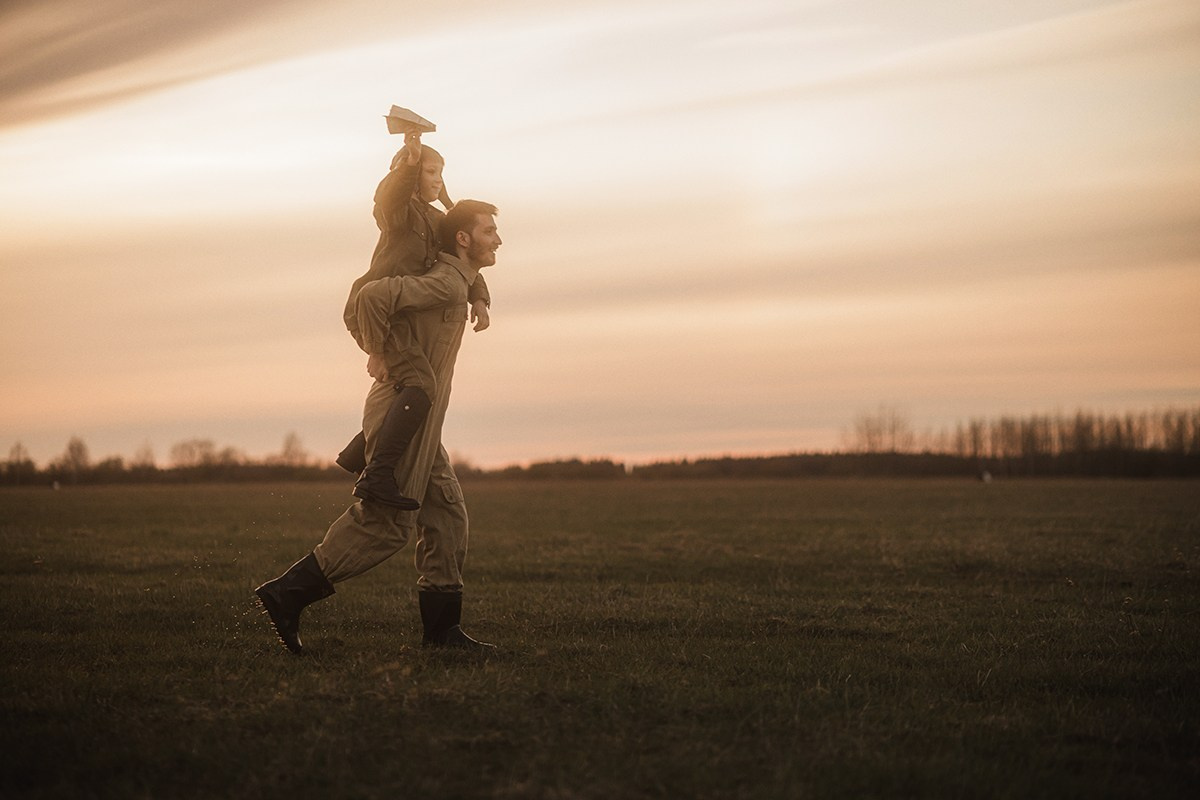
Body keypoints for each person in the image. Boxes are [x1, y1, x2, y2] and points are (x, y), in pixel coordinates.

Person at [255, 200, 502, 654]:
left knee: (446, 513)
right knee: (385, 525)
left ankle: (442, 633)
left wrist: (481, 296)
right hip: (400, 415)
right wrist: (380, 350)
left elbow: (465, 273)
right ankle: (287, 594)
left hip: (420, 420)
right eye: (488, 232)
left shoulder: (457, 280)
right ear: (463, 240)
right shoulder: (446, 283)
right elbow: (372, 296)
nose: (499, 240)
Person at [336, 131, 492, 509]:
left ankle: (358, 455)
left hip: (397, 317)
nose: (437, 179)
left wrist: (480, 298)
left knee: (407, 388)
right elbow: (388, 197)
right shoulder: (399, 214)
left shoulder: (438, 221)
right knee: (421, 383)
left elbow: (462, 257)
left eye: (442, 172)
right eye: (430, 171)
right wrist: (409, 163)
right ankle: (376, 477)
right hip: (374, 310)